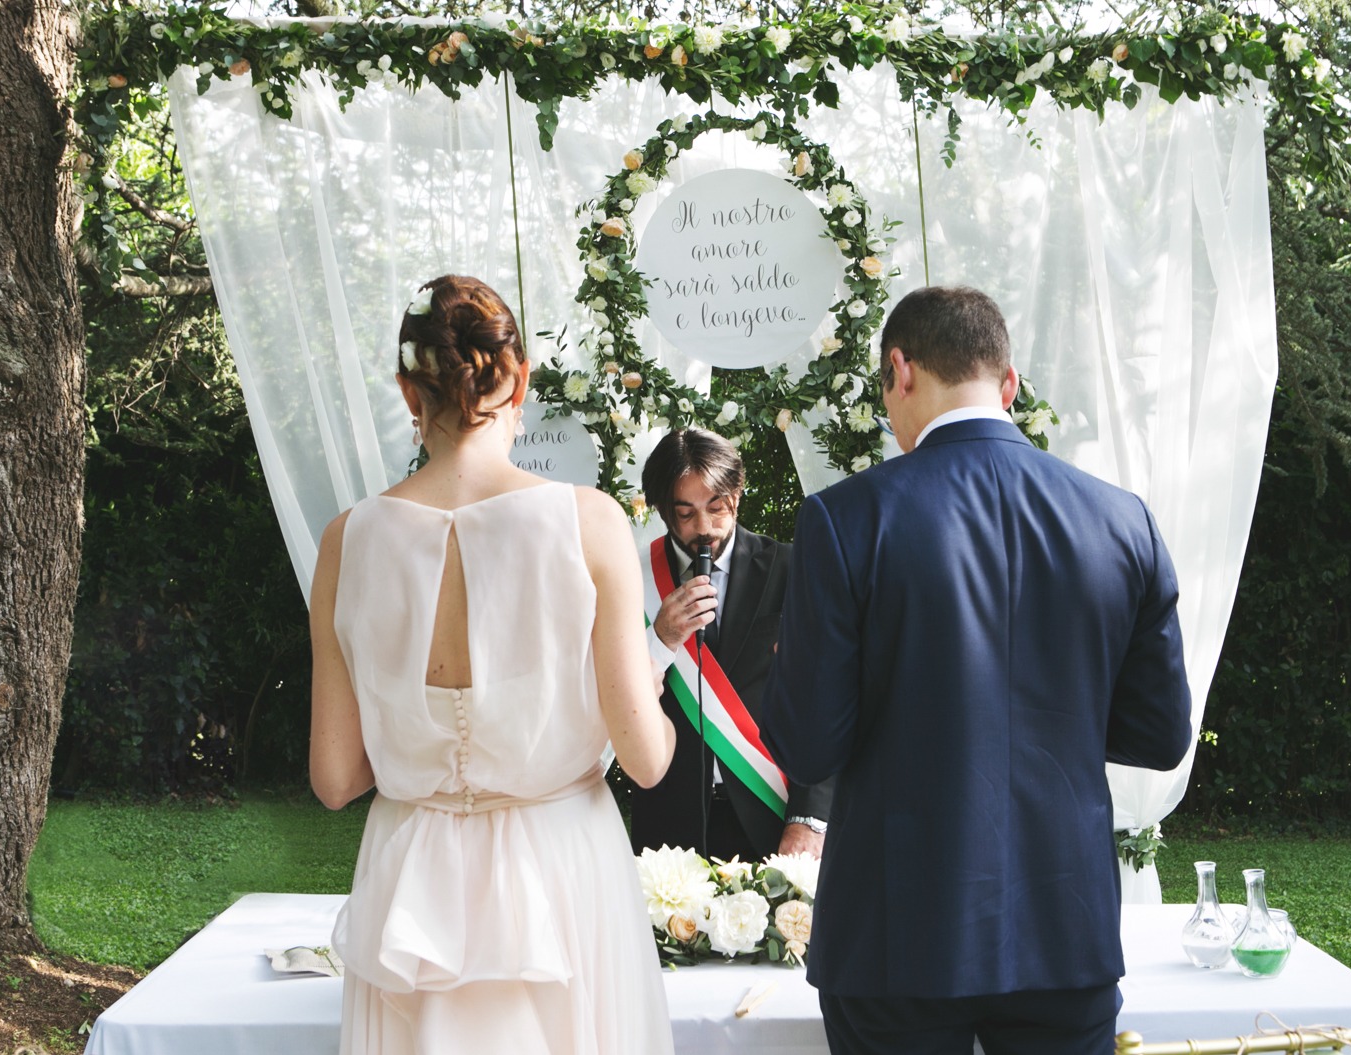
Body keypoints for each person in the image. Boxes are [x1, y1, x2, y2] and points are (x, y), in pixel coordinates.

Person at [758, 285, 1192, 1055]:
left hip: (896, 937)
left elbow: (811, 747)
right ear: (1009, 384)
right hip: (1066, 930)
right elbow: (1160, 735)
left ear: (900, 369)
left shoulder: (846, 518)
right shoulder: (1124, 520)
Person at [309, 275, 676, 1055]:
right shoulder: (588, 522)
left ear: (411, 391)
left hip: (411, 875)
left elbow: (336, 778)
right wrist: (643, 682)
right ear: (519, 379)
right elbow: (646, 760)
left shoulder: (347, 541)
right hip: (561, 867)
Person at [627, 428, 832, 863]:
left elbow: (826, 698)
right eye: (685, 513)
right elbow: (612, 699)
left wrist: (811, 817)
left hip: (775, 813)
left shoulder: (791, 568)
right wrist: (661, 639)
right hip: (669, 824)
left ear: (736, 495)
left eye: (716, 507)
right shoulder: (632, 579)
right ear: (663, 511)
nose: (704, 528)